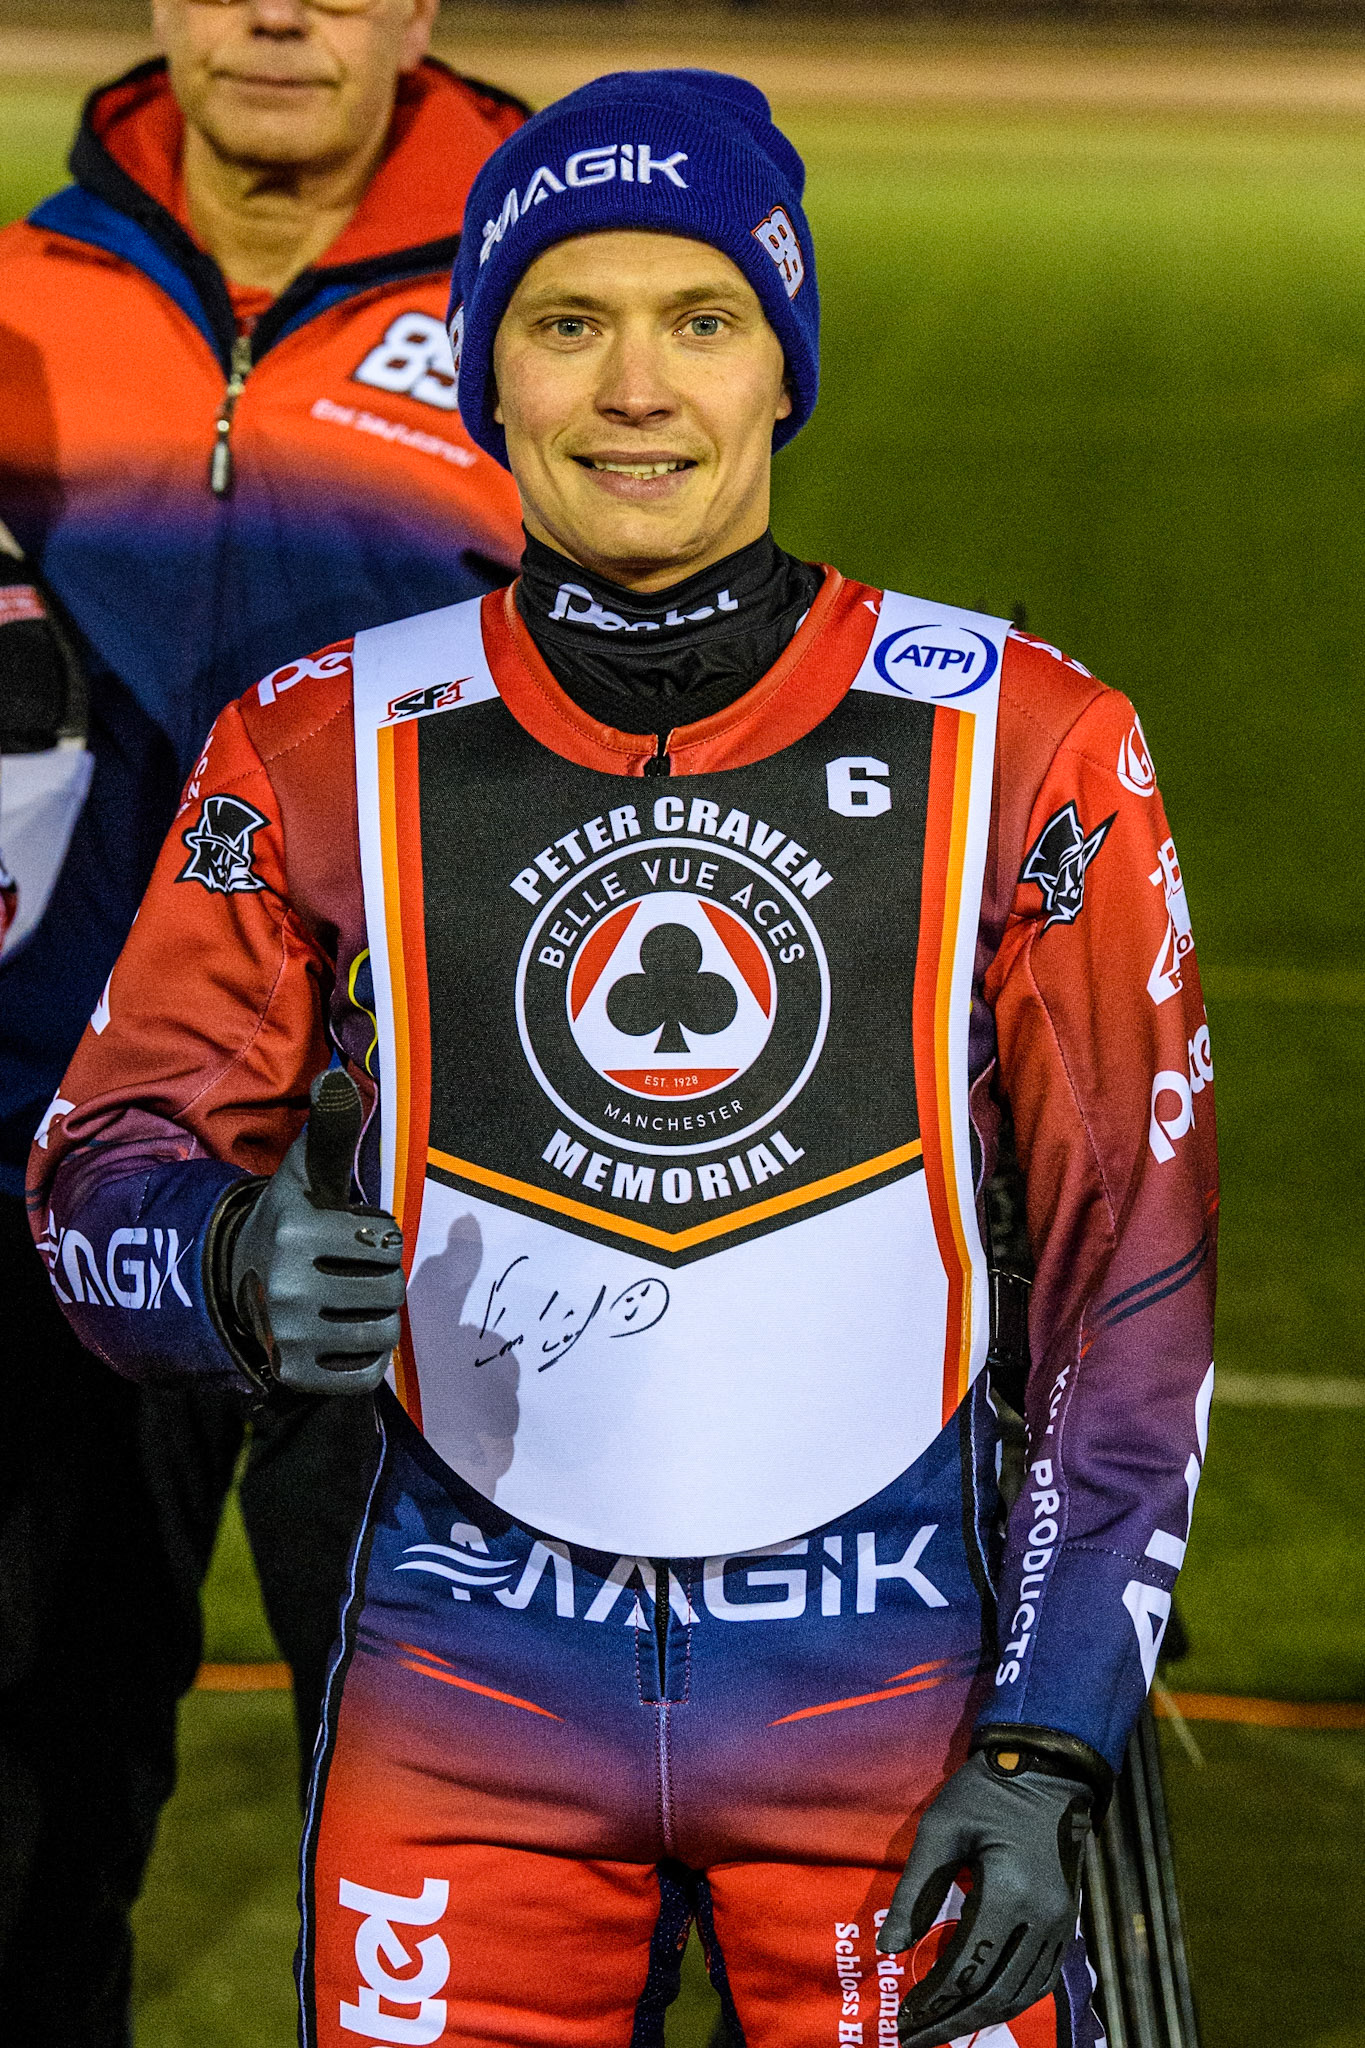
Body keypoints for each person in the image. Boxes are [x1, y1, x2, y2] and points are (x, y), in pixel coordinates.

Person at [30, 70, 1219, 2048]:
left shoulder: (1028, 737)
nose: (633, 387)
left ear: (783, 371)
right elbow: (103, 1177)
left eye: (701, 320)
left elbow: (1131, 1280)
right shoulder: (320, 735)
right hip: (458, 1715)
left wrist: (1043, 1744)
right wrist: (218, 1259)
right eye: (566, 325)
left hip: (888, 1722)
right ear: (484, 377)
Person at [0, 2, 524, 2038]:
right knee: (29, 1798)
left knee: (458, 1845)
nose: (279, 12)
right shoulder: (27, 293)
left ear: (415, 7)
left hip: (437, 1196)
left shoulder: (556, 298)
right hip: (61, 1175)